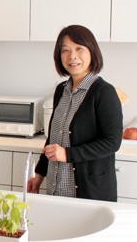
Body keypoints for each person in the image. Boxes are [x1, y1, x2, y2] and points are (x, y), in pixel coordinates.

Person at [27, 25, 122, 201]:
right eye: (65, 50)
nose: (72, 56)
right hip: (57, 187)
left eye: (79, 48)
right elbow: (54, 138)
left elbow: (112, 142)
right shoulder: (61, 90)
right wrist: (39, 175)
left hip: (89, 192)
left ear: (92, 51)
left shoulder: (104, 92)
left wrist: (68, 154)